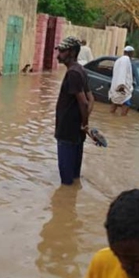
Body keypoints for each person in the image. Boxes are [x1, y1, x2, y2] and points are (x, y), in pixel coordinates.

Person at [54, 36, 94, 186]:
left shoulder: (73, 73)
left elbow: (84, 103)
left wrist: (84, 123)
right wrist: (84, 125)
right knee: (75, 178)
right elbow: (91, 100)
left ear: (71, 52)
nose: (59, 55)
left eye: (62, 51)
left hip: (67, 131)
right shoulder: (81, 70)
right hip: (77, 131)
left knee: (66, 181)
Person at [109, 45, 134, 115]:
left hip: (115, 86)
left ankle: (111, 117)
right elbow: (122, 73)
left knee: (115, 102)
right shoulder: (126, 60)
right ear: (130, 53)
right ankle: (122, 119)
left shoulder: (119, 60)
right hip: (123, 87)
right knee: (126, 105)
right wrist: (121, 86)